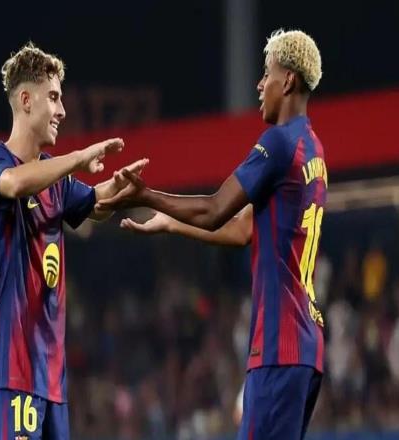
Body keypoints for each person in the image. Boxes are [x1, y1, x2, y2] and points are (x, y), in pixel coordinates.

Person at [97, 29, 326, 439]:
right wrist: (173, 223)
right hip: (307, 344)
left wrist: (146, 195)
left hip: (279, 344)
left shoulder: (278, 142)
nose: (260, 84)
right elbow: (242, 229)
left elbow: (216, 209)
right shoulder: (313, 150)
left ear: (288, 80)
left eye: (267, 73)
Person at [0, 42, 147, 440]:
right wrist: (78, 158)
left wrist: (120, 188)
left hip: (51, 378)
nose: (62, 110)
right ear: (25, 100)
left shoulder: (57, 180)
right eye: (53, 97)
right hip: (12, 367)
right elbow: (13, 184)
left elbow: (94, 204)